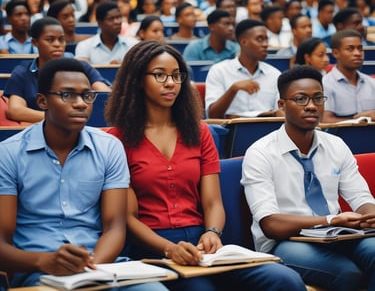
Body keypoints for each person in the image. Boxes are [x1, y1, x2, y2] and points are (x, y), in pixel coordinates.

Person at [104, 40, 306, 291]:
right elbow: (128, 218)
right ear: (136, 80)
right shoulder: (117, 139)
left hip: (204, 243)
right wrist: (168, 248)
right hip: (151, 246)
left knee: (285, 279)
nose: (171, 83)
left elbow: (213, 203)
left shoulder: (199, 132)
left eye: (177, 75)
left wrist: (212, 232)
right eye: (159, 75)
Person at [0, 57, 167, 291]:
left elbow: (115, 227)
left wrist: (90, 269)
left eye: (87, 96)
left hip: (101, 265)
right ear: (42, 101)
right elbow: (2, 243)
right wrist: (44, 261)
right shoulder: (8, 153)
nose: (80, 104)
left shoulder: (109, 147)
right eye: (67, 95)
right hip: (39, 272)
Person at [241, 65, 375, 291]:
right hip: (284, 242)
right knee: (348, 274)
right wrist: (330, 221)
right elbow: (271, 224)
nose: (311, 106)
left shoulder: (336, 145)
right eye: (301, 99)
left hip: (336, 236)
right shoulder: (261, 152)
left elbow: (361, 198)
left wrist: (370, 215)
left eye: (318, 98)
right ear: (282, 106)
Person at [4, 17, 111, 124]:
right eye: (50, 39)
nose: (57, 44)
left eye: (61, 39)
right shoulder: (22, 73)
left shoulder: (81, 67)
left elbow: (104, 94)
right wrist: (62, 118)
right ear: (35, 42)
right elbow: (15, 111)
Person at [205, 19, 283, 118]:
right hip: (230, 131)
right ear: (244, 42)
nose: (265, 44)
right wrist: (233, 89)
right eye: (259, 39)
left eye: (266, 39)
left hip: (267, 129)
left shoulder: (274, 74)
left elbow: (280, 114)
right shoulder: (219, 71)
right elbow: (212, 116)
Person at [322, 29, 375, 123]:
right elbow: (325, 120)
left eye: (360, 49)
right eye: (350, 49)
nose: (357, 53)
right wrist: (358, 120)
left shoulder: (371, 83)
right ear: (335, 53)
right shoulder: (325, 84)